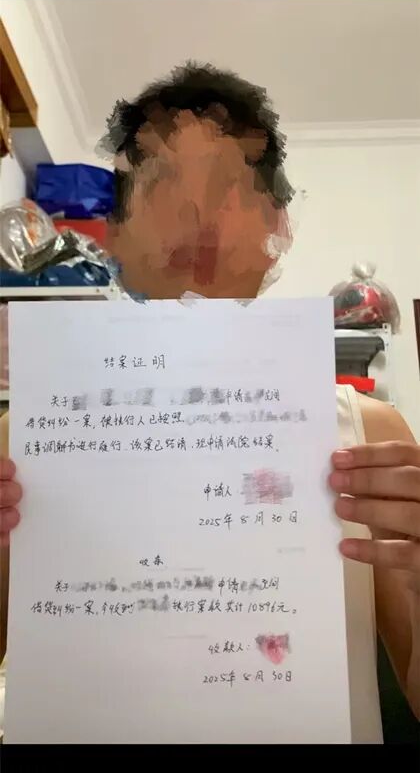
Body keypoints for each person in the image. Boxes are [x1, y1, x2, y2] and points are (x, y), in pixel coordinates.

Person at [0, 62, 419, 742]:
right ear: (117, 229)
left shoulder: (370, 430)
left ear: (278, 224)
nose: (196, 215)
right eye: (163, 183)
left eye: (229, 186)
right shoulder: (25, 435)